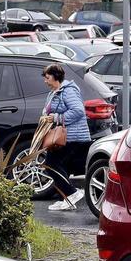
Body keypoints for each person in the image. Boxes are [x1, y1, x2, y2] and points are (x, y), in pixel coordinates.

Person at [41, 63, 91, 211]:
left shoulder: (68, 91)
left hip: (72, 136)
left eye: (47, 77)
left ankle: (72, 193)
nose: (45, 80)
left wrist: (57, 118)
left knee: (51, 164)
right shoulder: (54, 92)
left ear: (56, 77)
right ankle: (66, 199)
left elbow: (78, 111)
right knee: (61, 167)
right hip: (62, 136)